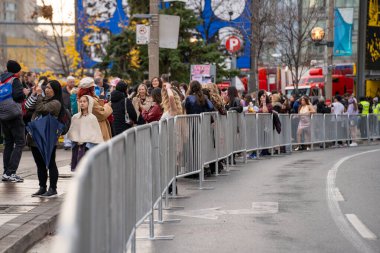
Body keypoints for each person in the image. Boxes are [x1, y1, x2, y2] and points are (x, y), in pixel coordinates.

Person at [28, 80, 65, 197]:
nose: (46, 90)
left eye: (49, 88)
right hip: (35, 136)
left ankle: (53, 188)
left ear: (55, 90)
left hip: (47, 137)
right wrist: (34, 94)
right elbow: (28, 106)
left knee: (50, 163)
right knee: (39, 163)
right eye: (46, 87)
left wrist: (39, 95)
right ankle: (42, 187)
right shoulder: (43, 99)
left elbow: (41, 109)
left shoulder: (56, 103)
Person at [0, 60, 25, 182]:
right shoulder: (15, 81)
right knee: (20, 142)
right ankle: (11, 172)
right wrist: (25, 93)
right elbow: (18, 97)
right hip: (14, 115)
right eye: (20, 70)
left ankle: (6, 172)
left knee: (8, 143)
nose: (21, 72)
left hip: (3, 115)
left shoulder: (2, 80)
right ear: (16, 71)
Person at [68, 95, 104, 171]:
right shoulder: (75, 117)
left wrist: (88, 142)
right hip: (78, 147)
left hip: (88, 147)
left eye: (84, 101)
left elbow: (96, 134)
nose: (82, 103)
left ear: (89, 103)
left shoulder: (92, 118)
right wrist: (76, 140)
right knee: (79, 168)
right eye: (80, 101)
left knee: (87, 168)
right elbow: (73, 132)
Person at [77, 77, 113, 141]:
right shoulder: (90, 100)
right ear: (90, 88)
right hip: (97, 129)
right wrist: (108, 106)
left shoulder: (82, 98)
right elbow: (101, 114)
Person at [62, 76, 75, 150]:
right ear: (67, 82)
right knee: (66, 126)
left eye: (73, 82)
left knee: (72, 127)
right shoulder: (62, 90)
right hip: (65, 111)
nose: (72, 83)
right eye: (71, 82)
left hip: (73, 111)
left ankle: (72, 142)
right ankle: (66, 143)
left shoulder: (75, 90)